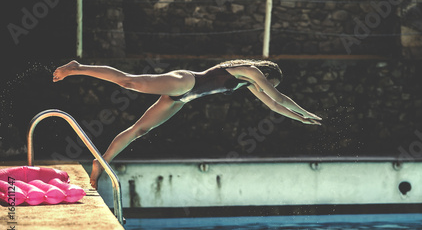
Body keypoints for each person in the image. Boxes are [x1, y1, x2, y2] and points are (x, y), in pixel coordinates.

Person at [53, 59, 322, 189]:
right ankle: (77, 68)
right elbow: (278, 97)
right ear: (267, 74)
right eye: (268, 82)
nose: (265, 87)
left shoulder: (248, 83)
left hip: (182, 99)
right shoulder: (252, 72)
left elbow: (273, 104)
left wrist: (300, 118)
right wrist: (306, 111)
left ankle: (101, 162)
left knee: (140, 130)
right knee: (129, 81)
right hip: (185, 82)